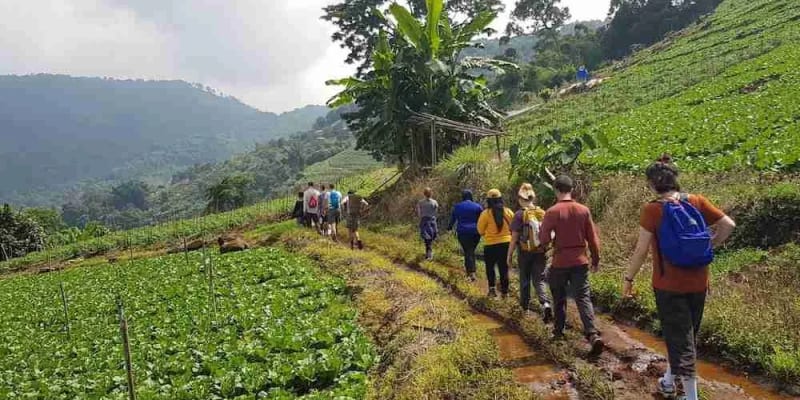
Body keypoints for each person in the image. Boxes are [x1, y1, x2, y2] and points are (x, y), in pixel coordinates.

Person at [623, 155, 735, 400]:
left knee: (680, 340)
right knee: (685, 337)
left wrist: (628, 278)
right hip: (698, 283)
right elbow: (728, 225)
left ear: (651, 184)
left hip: (668, 286)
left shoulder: (653, 209)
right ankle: (667, 381)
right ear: (676, 180)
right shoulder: (697, 201)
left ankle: (691, 396)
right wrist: (710, 246)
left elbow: (641, 251)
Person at [539, 175, 604, 356]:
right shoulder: (583, 210)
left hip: (560, 262)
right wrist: (595, 260)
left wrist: (547, 244)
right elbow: (593, 239)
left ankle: (559, 332)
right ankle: (592, 334)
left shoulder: (552, 212)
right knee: (583, 297)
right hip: (580, 261)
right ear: (571, 189)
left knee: (558, 297)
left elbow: (543, 238)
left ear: (556, 190)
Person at [508, 183, 552, 322]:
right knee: (539, 280)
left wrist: (509, 255)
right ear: (533, 197)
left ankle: (525, 309)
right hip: (540, 251)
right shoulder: (542, 213)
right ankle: (545, 303)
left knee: (525, 279)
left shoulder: (519, 214)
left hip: (525, 252)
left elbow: (514, 238)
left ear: (521, 198)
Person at [477, 189, 514, 299]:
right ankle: (505, 293)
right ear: (500, 199)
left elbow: (480, 230)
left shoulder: (485, 214)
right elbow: (514, 228)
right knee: (504, 269)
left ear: (488, 200)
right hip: (506, 244)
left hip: (490, 244)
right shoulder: (508, 212)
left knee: (490, 267)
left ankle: (492, 290)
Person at [448, 190, 483, 281]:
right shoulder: (478, 206)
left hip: (463, 232)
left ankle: (470, 273)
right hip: (475, 233)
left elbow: (453, 219)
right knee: (470, 251)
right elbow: (482, 219)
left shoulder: (458, 206)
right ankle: (471, 272)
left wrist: (449, 228)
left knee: (468, 251)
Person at [417, 188, 439, 261]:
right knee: (428, 238)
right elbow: (419, 212)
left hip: (430, 220)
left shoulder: (434, 202)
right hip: (427, 220)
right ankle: (429, 254)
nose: (429, 194)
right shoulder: (421, 202)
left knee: (433, 234)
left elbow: (436, 212)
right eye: (428, 192)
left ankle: (429, 251)